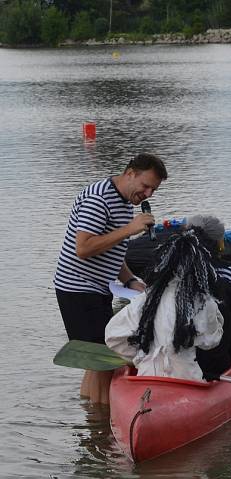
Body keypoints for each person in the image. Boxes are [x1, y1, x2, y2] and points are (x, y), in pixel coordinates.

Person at [54, 153, 167, 404]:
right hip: (78, 288)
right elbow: (83, 249)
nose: (148, 194)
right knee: (105, 360)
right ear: (130, 173)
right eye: (146, 186)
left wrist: (129, 280)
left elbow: (111, 249)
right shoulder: (98, 199)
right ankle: (102, 421)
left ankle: (90, 423)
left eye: (153, 190)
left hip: (98, 288)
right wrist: (130, 229)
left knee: (94, 360)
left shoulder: (125, 201)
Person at [105, 227, 231, 381]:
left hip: (148, 376)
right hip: (186, 378)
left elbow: (112, 337)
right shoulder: (204, 302)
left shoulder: (146, 299)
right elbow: (210, 341)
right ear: (201, 268)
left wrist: (140, 354)